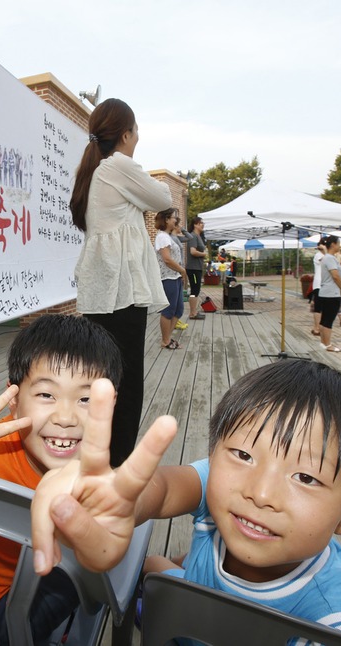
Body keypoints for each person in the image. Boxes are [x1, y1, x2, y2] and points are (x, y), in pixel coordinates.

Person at [30, 360, 341, 643]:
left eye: (305, 478)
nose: (260, 493)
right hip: (189, 614)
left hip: (192, 610)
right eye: (242, 454)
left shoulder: (334, 620)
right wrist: (123, 501)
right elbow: (162, 488)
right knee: (157, 567)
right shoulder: (220, 485)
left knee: (160, 571)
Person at [0, 314, 123, 644]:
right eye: (47, 395)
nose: (65, 418)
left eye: (86, 399)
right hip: (1, 628)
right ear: (14, 400)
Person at [70, 98, 172, 467]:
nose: (138, 136)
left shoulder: (97, 170)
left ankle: (95, 457)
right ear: (126, 133)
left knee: (103, 379)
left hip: (103, 289)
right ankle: (116, 464)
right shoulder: (116, 166)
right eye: (137, 130)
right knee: (126, 384)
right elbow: (163, 198)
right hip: (121, 291)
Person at [155, 209, 189, 348]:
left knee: (178, 310)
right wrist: (182, 270)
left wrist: (180, 274)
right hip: (167, 278)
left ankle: (167, 338)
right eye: (175, 218)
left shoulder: (167, 236)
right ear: (167, 219)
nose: (177, 221)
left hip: (174, 277)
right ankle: (165, 341)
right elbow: (167, 259)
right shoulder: (162, 237)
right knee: (169, 310)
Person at [316, 236, 341, 352]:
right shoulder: (329, 258)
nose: (340, 246)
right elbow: (335, 275)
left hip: (326, 292)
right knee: (328, 320)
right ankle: (328, 345)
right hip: (332, 293)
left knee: (325, 319)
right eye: (338, 244)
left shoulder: (328, 257)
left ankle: (324, 343)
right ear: (333, 244)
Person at [185, 217, 207, 320]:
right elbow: (193, 251)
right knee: (194, 291)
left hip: (197, 268)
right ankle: (192, 313)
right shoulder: (193, 236)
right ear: (195, 224)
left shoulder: (198, 236)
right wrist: (203, 254)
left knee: (196, 290)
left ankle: (194, 311)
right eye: (200, 223)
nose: (202, 224)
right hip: (193, 269)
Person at [309, 241, 326, 336]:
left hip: (325, 283)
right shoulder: (318, 255)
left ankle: (321, 326)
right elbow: (326, 261)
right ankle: (317, 328)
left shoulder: (327, 255)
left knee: (324, 307)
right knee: (318, 307)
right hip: (319, 284)